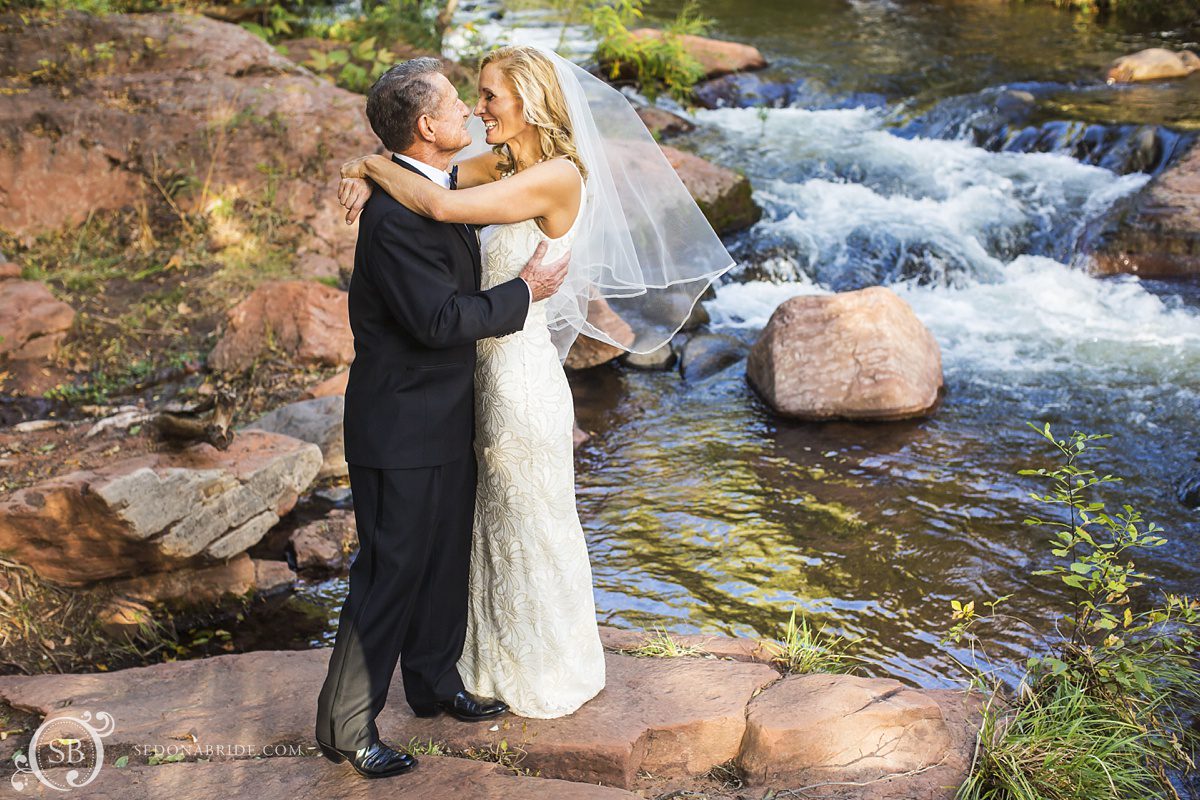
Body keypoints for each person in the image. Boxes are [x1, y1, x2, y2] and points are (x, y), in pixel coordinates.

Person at [337, 43, 734, 720]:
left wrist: (370, 164)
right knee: (476, 528)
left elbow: (435, 205)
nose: (478, 105)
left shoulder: (556, 174)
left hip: (518, 380)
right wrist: (372, 167)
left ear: (529, 101)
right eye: (476, 96)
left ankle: (546, 665)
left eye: (490, 95)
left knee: (531, 518)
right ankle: (471, 664)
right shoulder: (502, 160)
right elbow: (428, 172)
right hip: (469, 379)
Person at [314, 56, 571, 779]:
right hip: (400, 427)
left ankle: (433, 684)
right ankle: (346, 728)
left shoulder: (433, 184)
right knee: (390, 572)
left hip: (449, 416)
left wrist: (367, 164)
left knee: (443, 560)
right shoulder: (396, 215)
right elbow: (436, 318)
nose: (470, 113)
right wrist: (524, 291)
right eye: (460, 103)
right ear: (428, 126)